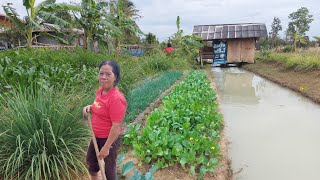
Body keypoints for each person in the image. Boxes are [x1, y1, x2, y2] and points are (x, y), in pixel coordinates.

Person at [83, 60, 127, 180]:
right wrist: (89, 107)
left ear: (115, 77)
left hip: (108, 139)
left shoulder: (117, 99)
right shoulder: (101, 91)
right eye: (101, 73)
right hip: (95, 136)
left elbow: (116, 127)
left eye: (108, 74)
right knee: (92, 162)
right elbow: (98, 106)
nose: (104, 77)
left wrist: (106, 147)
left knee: (109, 170)